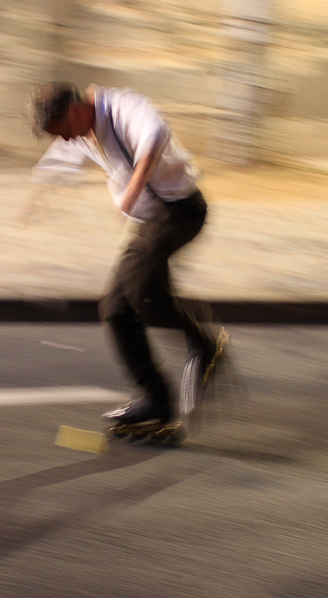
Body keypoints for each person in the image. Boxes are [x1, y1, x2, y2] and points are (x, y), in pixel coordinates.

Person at [27, 82, 224, 427]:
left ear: (75, 111)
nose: (69, 141)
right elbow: (61, 157)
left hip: (179, 212)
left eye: (65, 132)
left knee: (117, 308)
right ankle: (202, 348)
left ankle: (157, 399)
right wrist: (41, 193)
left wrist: (132, 188)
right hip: (152, 220)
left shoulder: (123, 107)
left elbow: (154, 135)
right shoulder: (80, 126)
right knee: (149, 300)